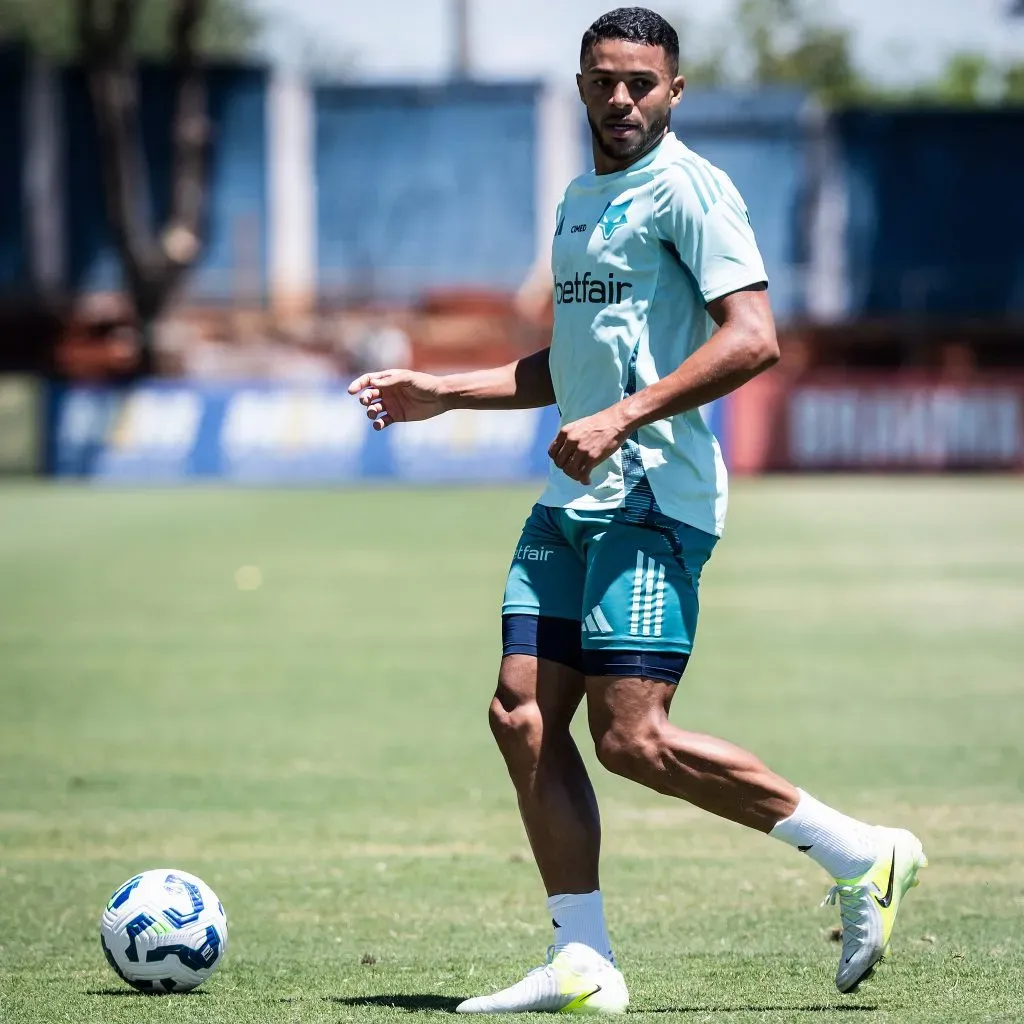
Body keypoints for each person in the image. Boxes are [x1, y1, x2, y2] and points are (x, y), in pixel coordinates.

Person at [348, 7, 926, 1015]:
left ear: (674, 91)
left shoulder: (692, 190)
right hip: (574, 495)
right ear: (581, 84)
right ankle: (582, 957)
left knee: (632, 738)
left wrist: (620, 417)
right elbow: (566, 365)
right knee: (520, 712)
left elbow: (753, 337)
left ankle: (861, 851)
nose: (621, 97)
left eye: (641, 83)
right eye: (604, 79)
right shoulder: (580, 199)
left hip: (654, 496)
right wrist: (444, 390)